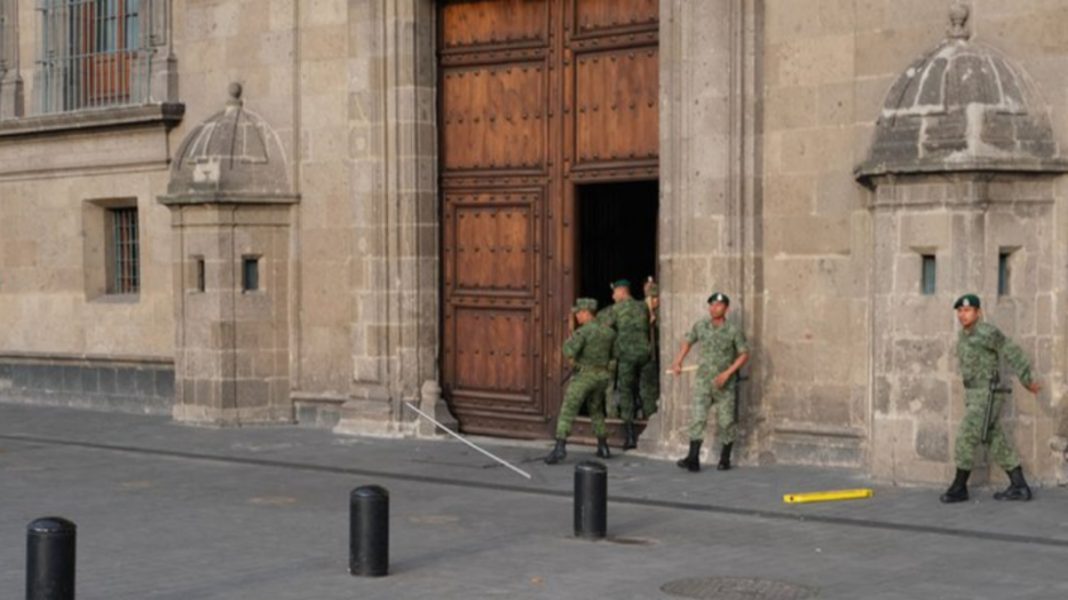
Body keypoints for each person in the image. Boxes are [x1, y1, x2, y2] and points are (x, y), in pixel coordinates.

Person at [940, 293, 1041, 503]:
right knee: (996, 439)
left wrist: (1026, 379)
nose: (962, 315)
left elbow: (1011, 350)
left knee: (966, 436)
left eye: (967, 310)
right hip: (974, 395)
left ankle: (959, 487)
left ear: (978, 312)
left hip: (987, 395)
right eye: (960, 311)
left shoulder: (987, 332)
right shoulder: (964, 336)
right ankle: (1019, 485)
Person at [670, 292, 749, 472]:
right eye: (711, 305)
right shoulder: (701, 326)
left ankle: (725, 458)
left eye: (718, 305)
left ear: (726, 309)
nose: (714, 308)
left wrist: (728, 374)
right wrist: (678, 361)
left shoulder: (733, 331)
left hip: (724, 384)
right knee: (697, 418)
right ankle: (693, 458)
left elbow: (744, 354)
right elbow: (688, 342)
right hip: (704, 382)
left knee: (726, 421)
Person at [544, 298, 617, 465]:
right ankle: (603, 446)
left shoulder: (583, 332)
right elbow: (614, 356)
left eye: (578, 313)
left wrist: (570, 337)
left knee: (568, 409)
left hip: (584, 377)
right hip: (602, 377)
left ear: (586, 312)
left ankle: (560, 447)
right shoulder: (609, 332)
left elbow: (568, 351)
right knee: (596, 410)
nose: (577, 316)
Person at [599, 279, 652, 450]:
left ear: (622, 291)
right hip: (645, 355)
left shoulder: (615, 309)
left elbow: (603, 326)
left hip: (627, 357)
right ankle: (651, 428)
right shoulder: (643, 306)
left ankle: (630, 436)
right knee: (647, 391)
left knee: (626, 392)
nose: (613, 297)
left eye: (614, 293)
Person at [638, 277, 661, 420]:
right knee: (646, 389)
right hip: (647, 357)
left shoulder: (661, 313)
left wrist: (653, 315)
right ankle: (649, 416)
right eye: (649, 297)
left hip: (659, 356)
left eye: (654, 297)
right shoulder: (641, 311)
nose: (652, 301)